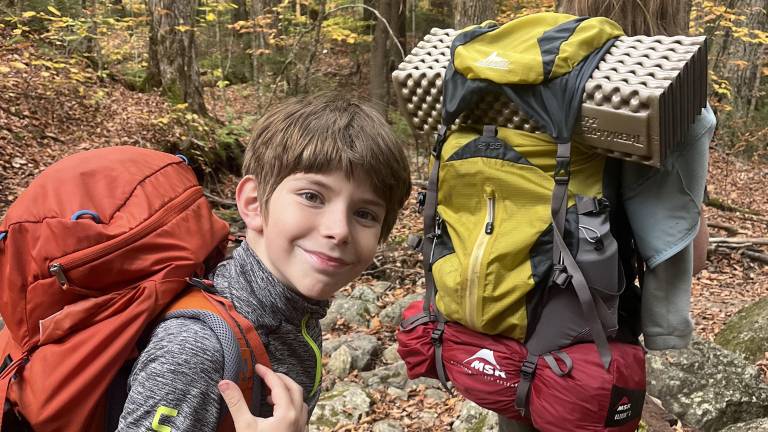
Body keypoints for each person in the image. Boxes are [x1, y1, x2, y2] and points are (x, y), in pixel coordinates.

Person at [117, 93, 412, 431]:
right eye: (312, 197)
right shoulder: (196, 349)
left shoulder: (296, 316)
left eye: (364, 214)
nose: (339, 231)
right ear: (254, 204)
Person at [499, 2, 715, 431]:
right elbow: (690, 254)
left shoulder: (516, 70)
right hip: (589, 339)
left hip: (500, 308)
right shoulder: (665, 94)